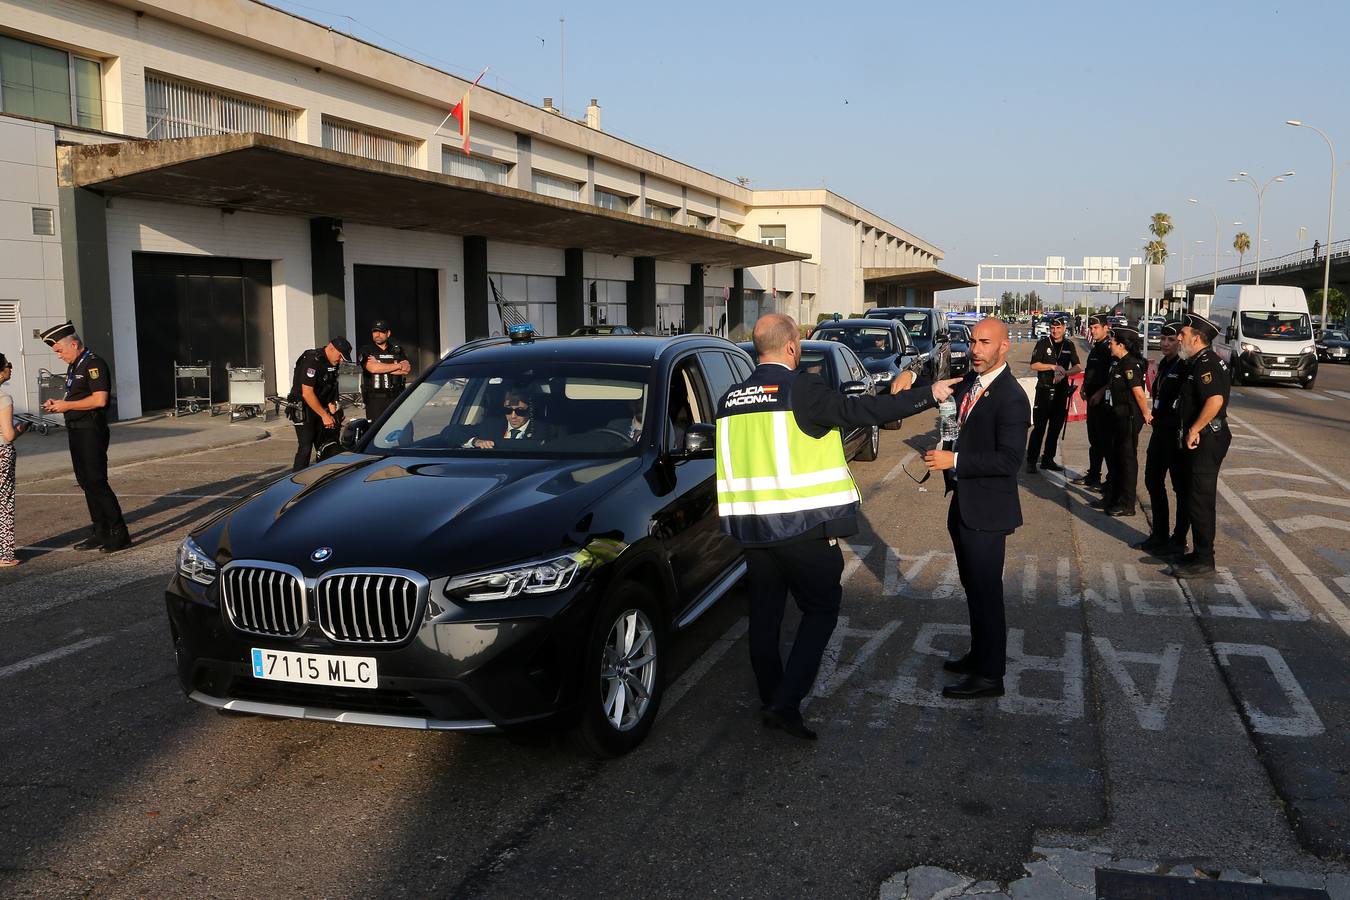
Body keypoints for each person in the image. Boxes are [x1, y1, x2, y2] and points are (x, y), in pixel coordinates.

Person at [716, 313, 959, 739]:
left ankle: (773, 698)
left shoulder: (731, 398)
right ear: (792, 347)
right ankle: (786, 702)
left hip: (751, 531)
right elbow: (859, 410)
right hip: (802, 527)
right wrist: (928, 394)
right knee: (821, 609)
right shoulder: (801, 387)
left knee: (765, 619)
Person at [923, 318, 1031, 699]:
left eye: (985, 342)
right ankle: (979, 654)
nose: (975, 349)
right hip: (965, 505)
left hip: (987, 512)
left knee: (987, 593)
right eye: (972, 341)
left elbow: (1009, 460)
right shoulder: (972, 383)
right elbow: (946, 402)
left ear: (1004, 347)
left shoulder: (1012, 397)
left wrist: (955, 462)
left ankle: (990, 676)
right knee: (973, 589)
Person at [39, 322, 130, 552]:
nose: (58, 355)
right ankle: (100, 530)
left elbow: (100, 400)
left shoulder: (94, 364)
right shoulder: (75, 365)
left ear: (74, 344)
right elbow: (77, 396)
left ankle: (119, 533)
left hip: (91, 430)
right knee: (85, 482)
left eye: (59, 350)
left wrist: (66, 405)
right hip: (77, 429)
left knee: (97, 481)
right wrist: (59, 405)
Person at [1172, 313, 1231, 579]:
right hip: (1200, 438)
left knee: (1201, 499)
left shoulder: (1207, 363)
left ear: (1196, 338)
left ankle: (1205, 559)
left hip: (1207, 439)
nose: (1179, 338)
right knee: (1194, 497)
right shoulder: (1195, 361)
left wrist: (1194, 429)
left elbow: (1215, 400)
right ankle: (1197, 553)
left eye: (1182, 335)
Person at [1135, 322, 1189, 554]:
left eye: (1170, 339)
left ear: (1180, 341)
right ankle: (1159, 533)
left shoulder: (1185, 366)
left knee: (1180, 489)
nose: (1165, 343)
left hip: (1175, 435)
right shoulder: (1165, 364)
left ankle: (1178, 539)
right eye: (1162, 339)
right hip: (1159, 432)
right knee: (1152, 481)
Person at [1093, 326, 1150, 517]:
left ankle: (1127, 504)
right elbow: (1112, 384)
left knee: (1127, 460)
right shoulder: (1119, 362)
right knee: (1116, 459)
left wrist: (1146, 414)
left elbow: (1139, 394)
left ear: (1122, 345)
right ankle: (1113, 497)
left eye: (1113, 342)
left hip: (1129, 417)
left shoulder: (1130, 364)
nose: (1110, 344)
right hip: (1117, 416)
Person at [1025, 315, 1081, 472]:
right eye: (1053, 328)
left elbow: (1077, 367)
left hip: (1061, 392)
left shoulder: (1069, 345)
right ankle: (1031, 460)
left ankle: (1048, 459)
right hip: (1044, 390)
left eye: (1058, 328)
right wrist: (1052, 367)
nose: (1055, 331)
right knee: (1039, 428)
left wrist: (1065, 373)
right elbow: (1034, 365)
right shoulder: (1043, 343)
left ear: (1064, 328)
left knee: (1055, 428)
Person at [287, 336, 351, 472]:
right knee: (305, 447)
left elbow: (331, 388)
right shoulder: (312, 360)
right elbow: (307, 393)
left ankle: (327, 477)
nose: (340, 360)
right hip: (304, 407)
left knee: (328, 445)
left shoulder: (333, 363)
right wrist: (324, 415)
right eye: (340, 356)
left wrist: (334, 412)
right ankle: (297, 482)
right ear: (331, 348)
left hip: (321, 406)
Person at [1070, 315, 1114, 491]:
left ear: (1105, 328)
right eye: (1091, 328)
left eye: (1096, 327)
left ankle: (1109, 480)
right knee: (1094, 440)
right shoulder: (1096, 347)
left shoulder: (1108, 348)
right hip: (1092, 399)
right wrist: (1084, 388)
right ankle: (1093, 475)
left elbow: (1112, 376)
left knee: (1104, 441)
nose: (1093, 331)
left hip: (1102, 401)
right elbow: (1091, 371)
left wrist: (1100, 392)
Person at [0, 351, 30, 567]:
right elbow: (8, 435)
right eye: (8, 364)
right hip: (1, 453)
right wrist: (22, 427)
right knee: (4, 502)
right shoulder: (3, 398)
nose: (11, 368)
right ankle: (5, 554)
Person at [357, 320, 411, 423]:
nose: (377, 335)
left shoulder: (397, 349)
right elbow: (372, 369)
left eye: (381, 332)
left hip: (396, 398)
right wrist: (397, 365)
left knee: (399, 429)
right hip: (375, 401)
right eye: (375, 332)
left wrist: (379, 364)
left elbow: (405, 370)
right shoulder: (366, 350)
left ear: (388, 333)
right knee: (376, 433)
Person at [466, 389, 553, 448]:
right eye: (508, 410)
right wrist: (475, 441)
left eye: (520, 411)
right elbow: (454, 432)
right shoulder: (491, 426)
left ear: (530, 410)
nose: (513, 416)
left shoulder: (548, 431)